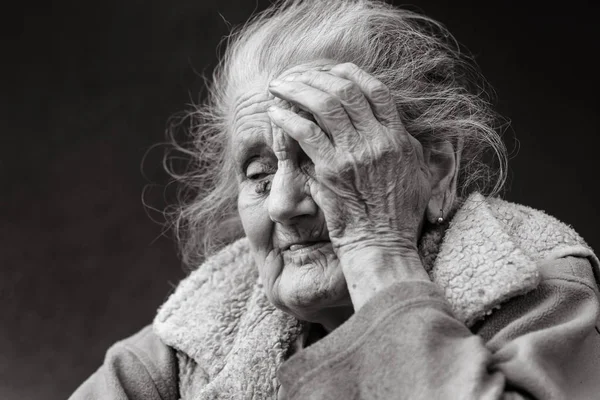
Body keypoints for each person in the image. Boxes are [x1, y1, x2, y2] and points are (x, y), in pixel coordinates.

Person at [69, 0, 600, 399]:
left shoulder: (536, 289)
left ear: (435, 168)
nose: (281, 204)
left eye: (325, 158)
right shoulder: (198, 334)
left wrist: (379, 251)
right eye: (259, 173)